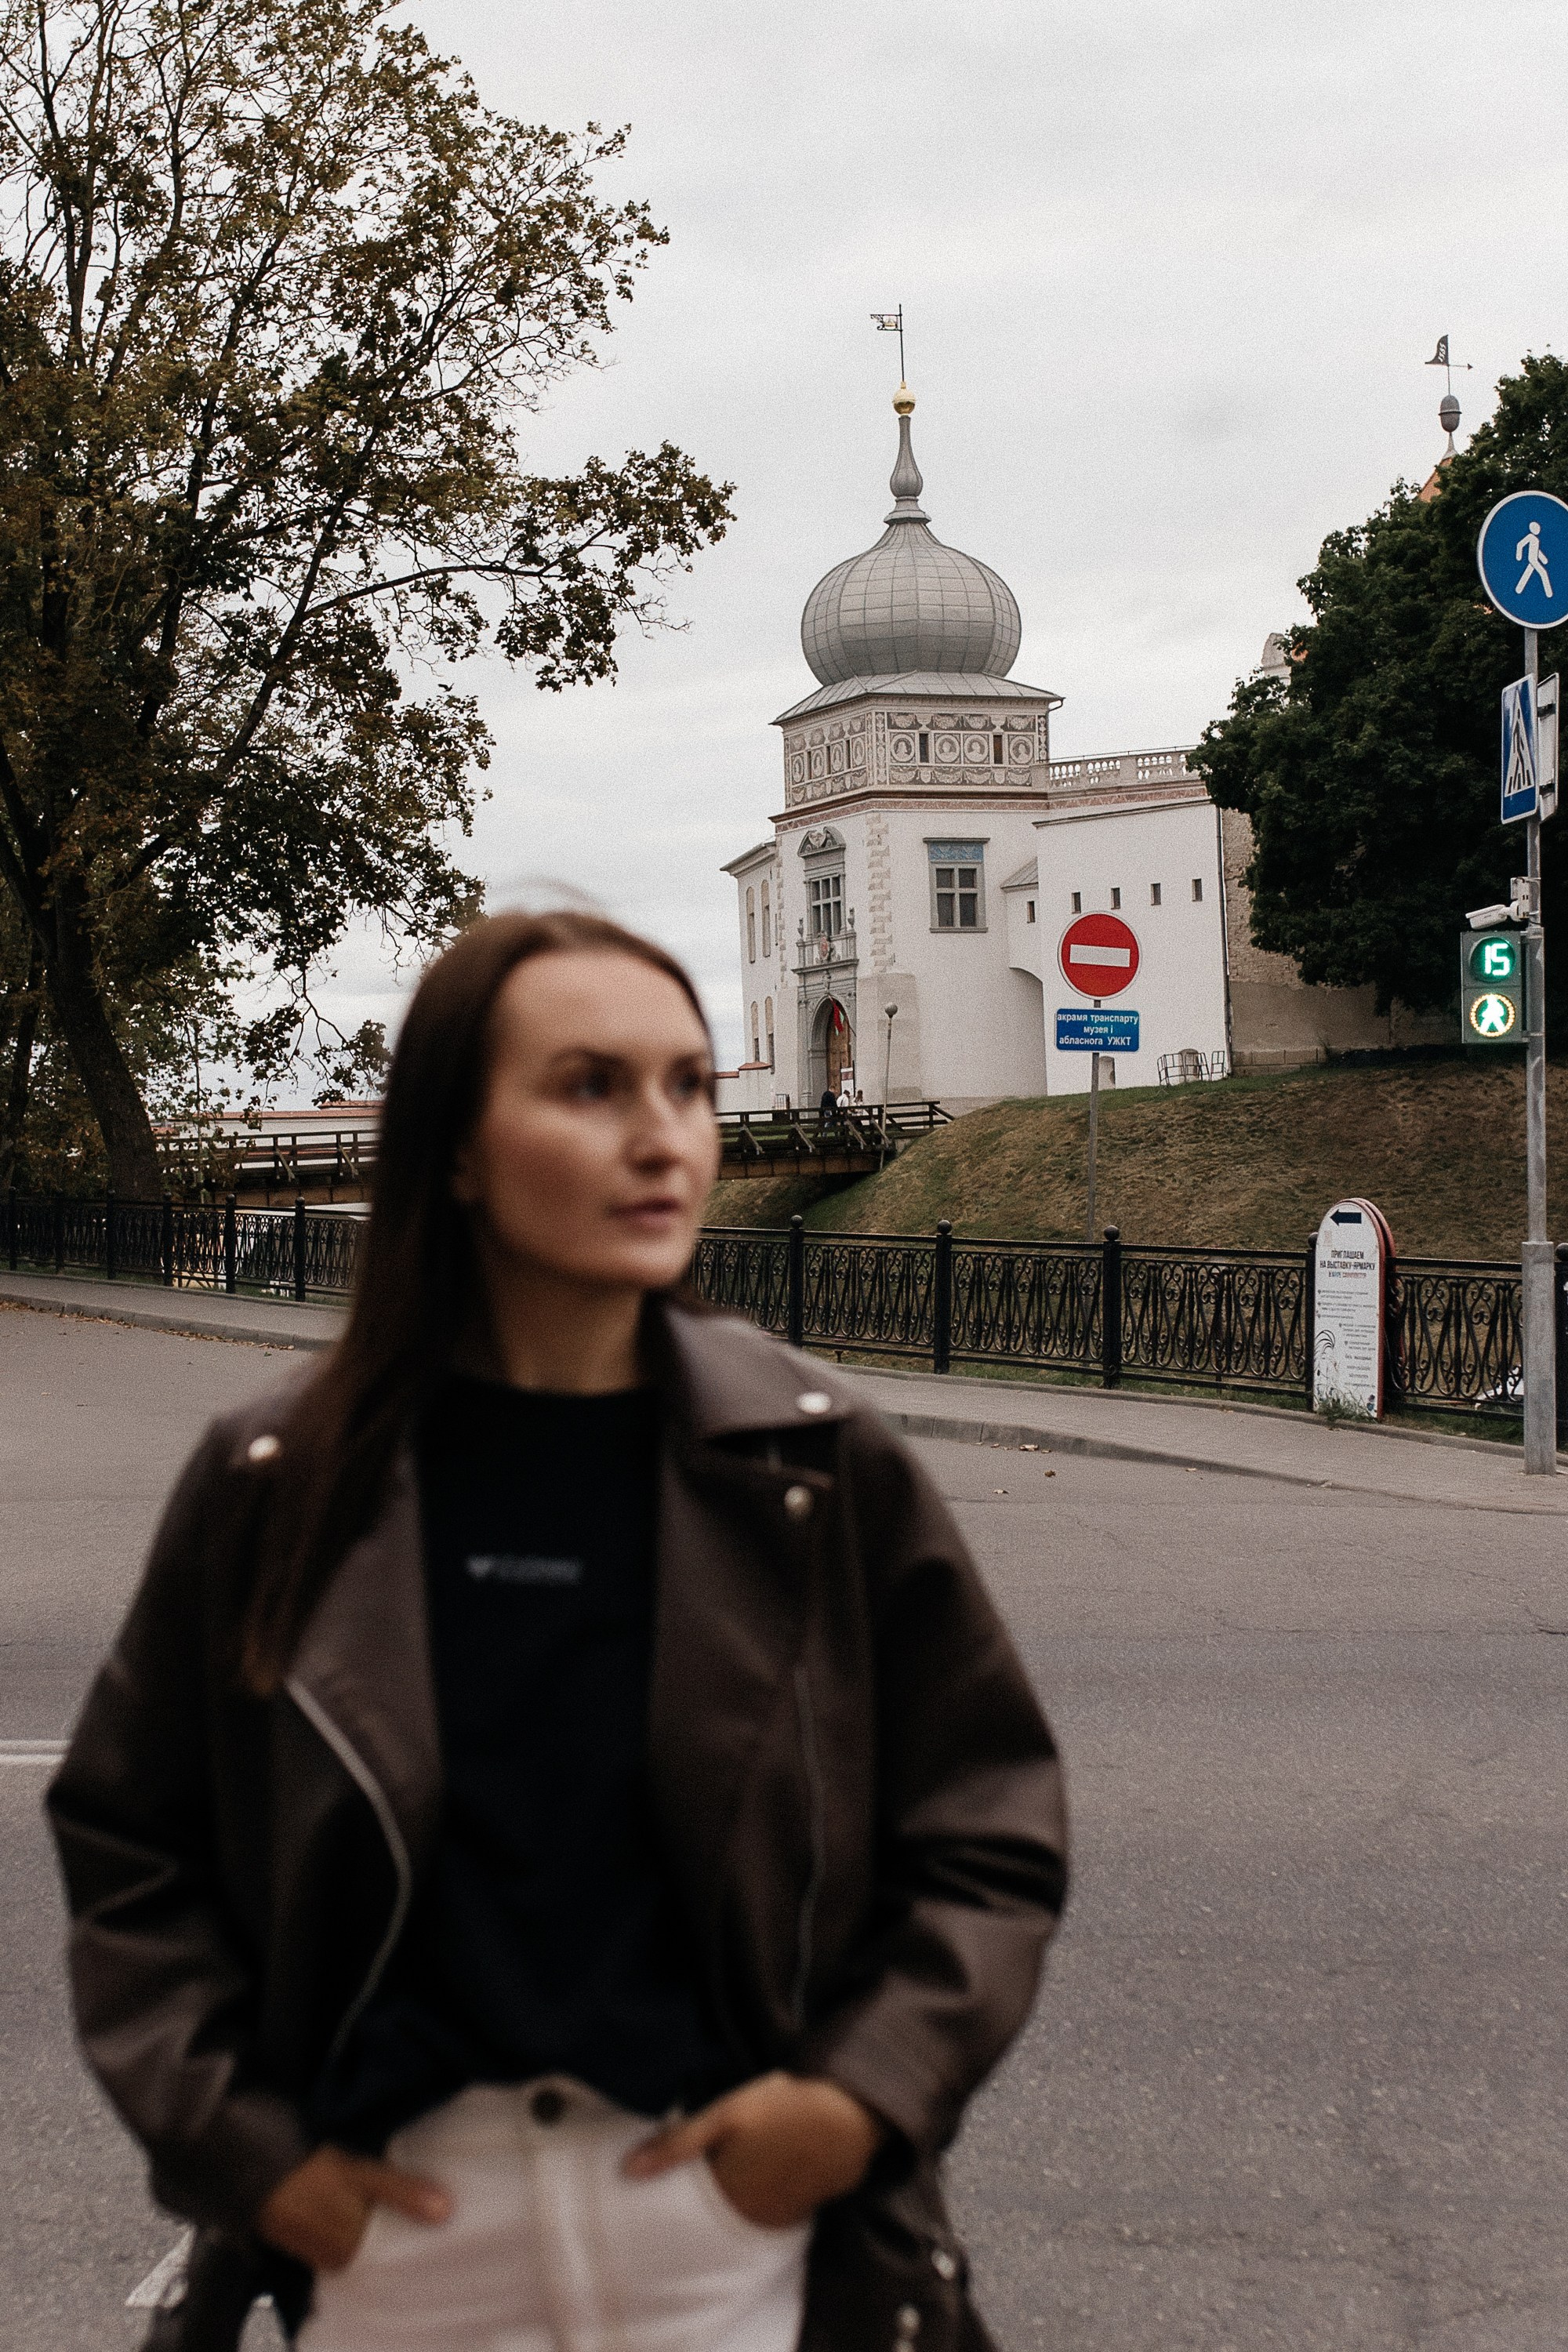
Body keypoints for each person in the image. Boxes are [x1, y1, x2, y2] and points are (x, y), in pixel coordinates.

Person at [48, 909, 1067, 2352]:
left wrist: (859, 2100)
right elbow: (133, 1849)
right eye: (591, 1086)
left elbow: (987, 1822)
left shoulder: (813, 1465)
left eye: (688, 1085)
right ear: (455, 1147)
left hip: (734, 2254)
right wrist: (253, 2158)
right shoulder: (279, 1482)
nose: (663, 1137)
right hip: (400, 2249)